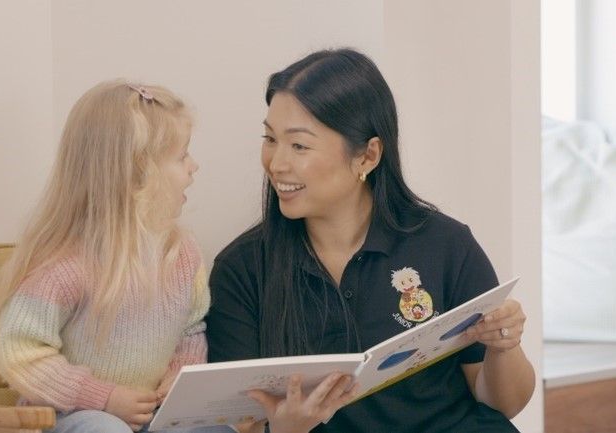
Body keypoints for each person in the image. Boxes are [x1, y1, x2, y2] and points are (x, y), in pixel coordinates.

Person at [206, 49, 536, 433]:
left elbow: (504, 406)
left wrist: (502, 347)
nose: (276, 163)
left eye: (299, 145)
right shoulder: (242, 269)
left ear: (367, 155)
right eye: (270, 139)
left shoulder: (445, 244)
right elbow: (237, 424)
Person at [0, 80, 233, 433]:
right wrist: (102, 397)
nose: (193, 166)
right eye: (182, 155)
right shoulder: (66, 264)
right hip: (69, 414)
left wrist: (180, 374)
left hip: (152, 412)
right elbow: (21, 355)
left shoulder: (181, 254)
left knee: (215, 431)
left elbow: (191, 328)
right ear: (139, 171)